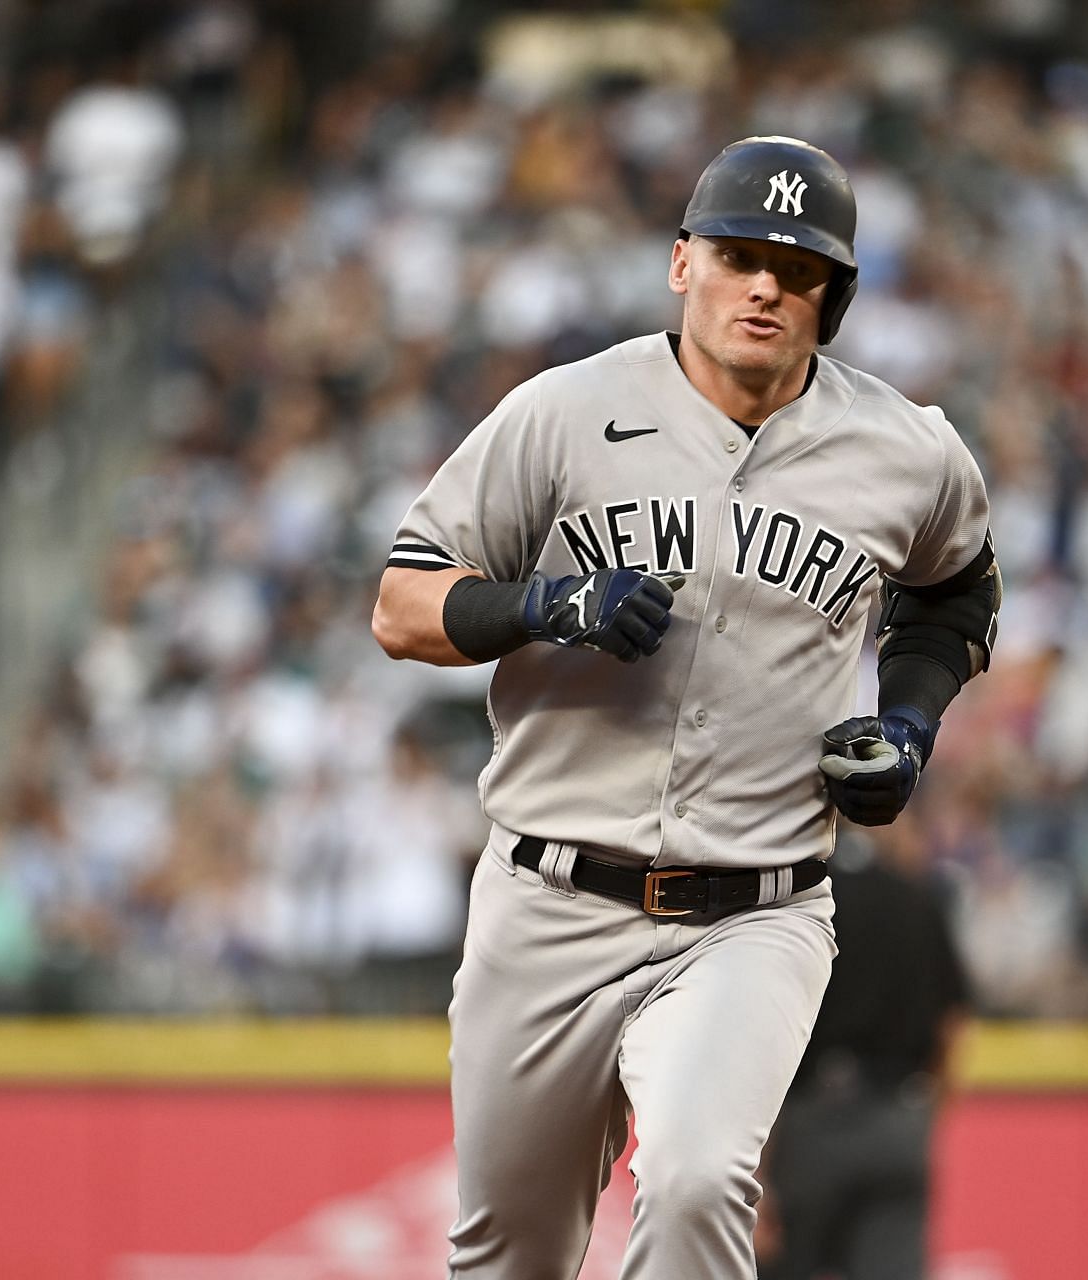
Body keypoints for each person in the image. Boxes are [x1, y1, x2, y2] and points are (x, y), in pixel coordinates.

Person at [371, 135, 1000, 1278]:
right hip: (547, 896)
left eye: (797, 267)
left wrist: (908, 722)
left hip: (752, 909)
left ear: (833, 297)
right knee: (508, 1251)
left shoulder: (907, 451)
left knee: (699, 1179)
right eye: (739, 254)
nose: (764, 284)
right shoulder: (561, 414)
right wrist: (545, 604)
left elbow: (955, 593)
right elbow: (403, 603)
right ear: (682, 264)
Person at [758, 824, 971, 1280]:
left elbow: (764, 1042)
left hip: (808, 1124)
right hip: (898, 1114)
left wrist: (757, 1171)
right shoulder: (916, 896)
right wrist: (922, 1119)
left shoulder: (798, 903)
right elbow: (954, 1028)